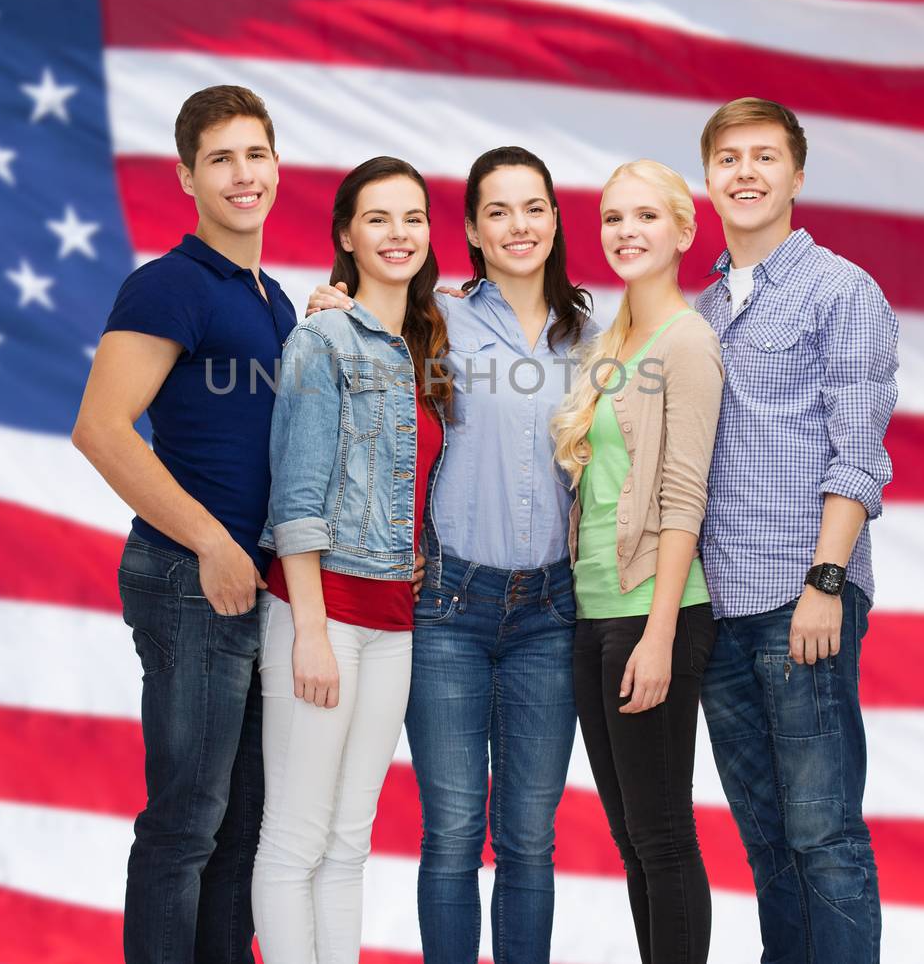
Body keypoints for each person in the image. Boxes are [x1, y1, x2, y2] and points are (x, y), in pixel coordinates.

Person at [310, 145, 595, 964]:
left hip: (552, 610)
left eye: (533, 207)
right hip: (448, 610)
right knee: (454, 833)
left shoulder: (594, 338)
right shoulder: (430, 317)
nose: (518, 226)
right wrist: (325, 301)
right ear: (469, 228)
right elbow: (350, 329)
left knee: (530, 839)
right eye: (497, 210)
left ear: (552, 219)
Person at [71, 86, 294, 964]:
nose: (243, 175)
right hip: (189, 577)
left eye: (255, 155)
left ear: (276, 165)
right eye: (221, 159)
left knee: (242, 828)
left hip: (251, 585)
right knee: (185, 827)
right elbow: (100, 428)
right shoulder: (169, 285)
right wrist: (210, 542)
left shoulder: (273, 298)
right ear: (188, 178)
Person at [693, 97, 898, 964]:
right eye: (729, 159)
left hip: (801, 597)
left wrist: (825, 584)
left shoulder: (842, 291)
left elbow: (859, 454)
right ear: (708, 179)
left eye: (764, 157)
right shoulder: (696, 312)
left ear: (797, 176)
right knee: (768, 843)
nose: (746, 173)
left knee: (825, 838)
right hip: (718, 607)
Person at [251, 156, 451, 964]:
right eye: (378, 218)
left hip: (394, 623)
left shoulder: (423, 349)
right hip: (322, 613)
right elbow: (296, 497)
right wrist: (308, 630)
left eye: (412, 217)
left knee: (347, 840)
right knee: (295, 836)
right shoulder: (321, 339)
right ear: (346, 236)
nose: (398, 234)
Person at [552, 159, 724, 964]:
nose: (627, 232)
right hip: (592, 616)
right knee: (630, 836)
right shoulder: (609, 341)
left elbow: (685, 497)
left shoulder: (688, 343)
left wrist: (658, 636)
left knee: (661, 835)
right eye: (614, 219)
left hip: (654, 614)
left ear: (684, 232)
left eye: (647, 217)